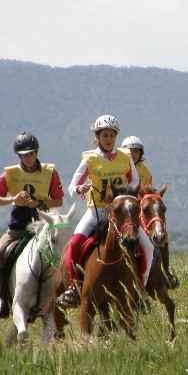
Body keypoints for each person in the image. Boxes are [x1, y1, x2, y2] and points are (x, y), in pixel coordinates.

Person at [57, 115, 155, 309]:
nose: (108, 139)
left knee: (147, 246)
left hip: (120, 213)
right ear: (98, 137)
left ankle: (141, 289)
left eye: (111, 135)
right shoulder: (90, 159)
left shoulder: (124, 157)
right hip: (97, 211)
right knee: (75, 243)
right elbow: (72, 187)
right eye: (104, 135)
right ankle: (74, 287)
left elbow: (135, 181)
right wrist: (80, 189)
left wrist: (124, 194)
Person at [0, 132, 65, 318]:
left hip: (42, 228)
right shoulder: (10, 174)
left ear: (36, 153)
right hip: (18, 228)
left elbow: (59, 200)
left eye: (31, 154)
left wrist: (39, 203)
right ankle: (1, 298)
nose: (29, 158)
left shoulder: (50, 172)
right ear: (19, 156)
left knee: (59, 253)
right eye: (24, 155)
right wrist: (13, 198)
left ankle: (60, 299)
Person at [121, 134, 178, 288]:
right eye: (129, 152)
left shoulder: (144, 170)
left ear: (141, 154)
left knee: (162, 235)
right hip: (123, 210)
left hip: (140, 208)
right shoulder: (120, 167)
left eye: (136, 152)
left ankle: (166, 272)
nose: (133, 155)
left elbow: (148, 192)